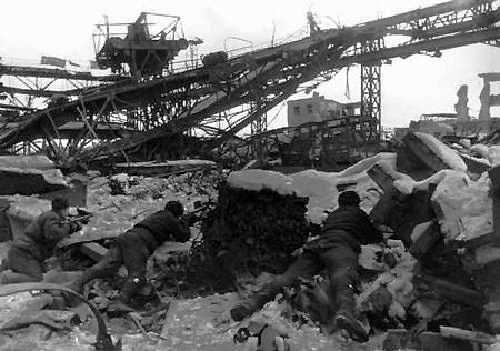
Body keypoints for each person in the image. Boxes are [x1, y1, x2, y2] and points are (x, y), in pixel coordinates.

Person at [230, 191, 383, 342]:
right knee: (342, 278)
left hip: (316, 245)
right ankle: (345, 313)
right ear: (356, 203)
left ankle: (250, 304)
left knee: (287, 278)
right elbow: (372, 235)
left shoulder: (334, 214)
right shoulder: (358, 213)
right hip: (340, 245)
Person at [67, 200, 193, 306]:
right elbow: (184, 236)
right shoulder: (170, 218)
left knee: (104, 267)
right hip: (139, 242)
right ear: (177, 214)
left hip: (126, 236)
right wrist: (186, 222)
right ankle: (119, 303)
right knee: (138, 275)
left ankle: (75, 285)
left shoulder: (156, 216)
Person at [2, 197, 81, 283]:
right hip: (25, 253)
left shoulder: (50, 215)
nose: (67, 213)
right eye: (67, 210)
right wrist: (70, 227)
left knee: (35, 269)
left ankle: (9, 264)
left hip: (22, 250)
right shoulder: (52, 216)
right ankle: (5, 278)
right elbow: (53, 233)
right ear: (63, 210)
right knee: (35, 278)